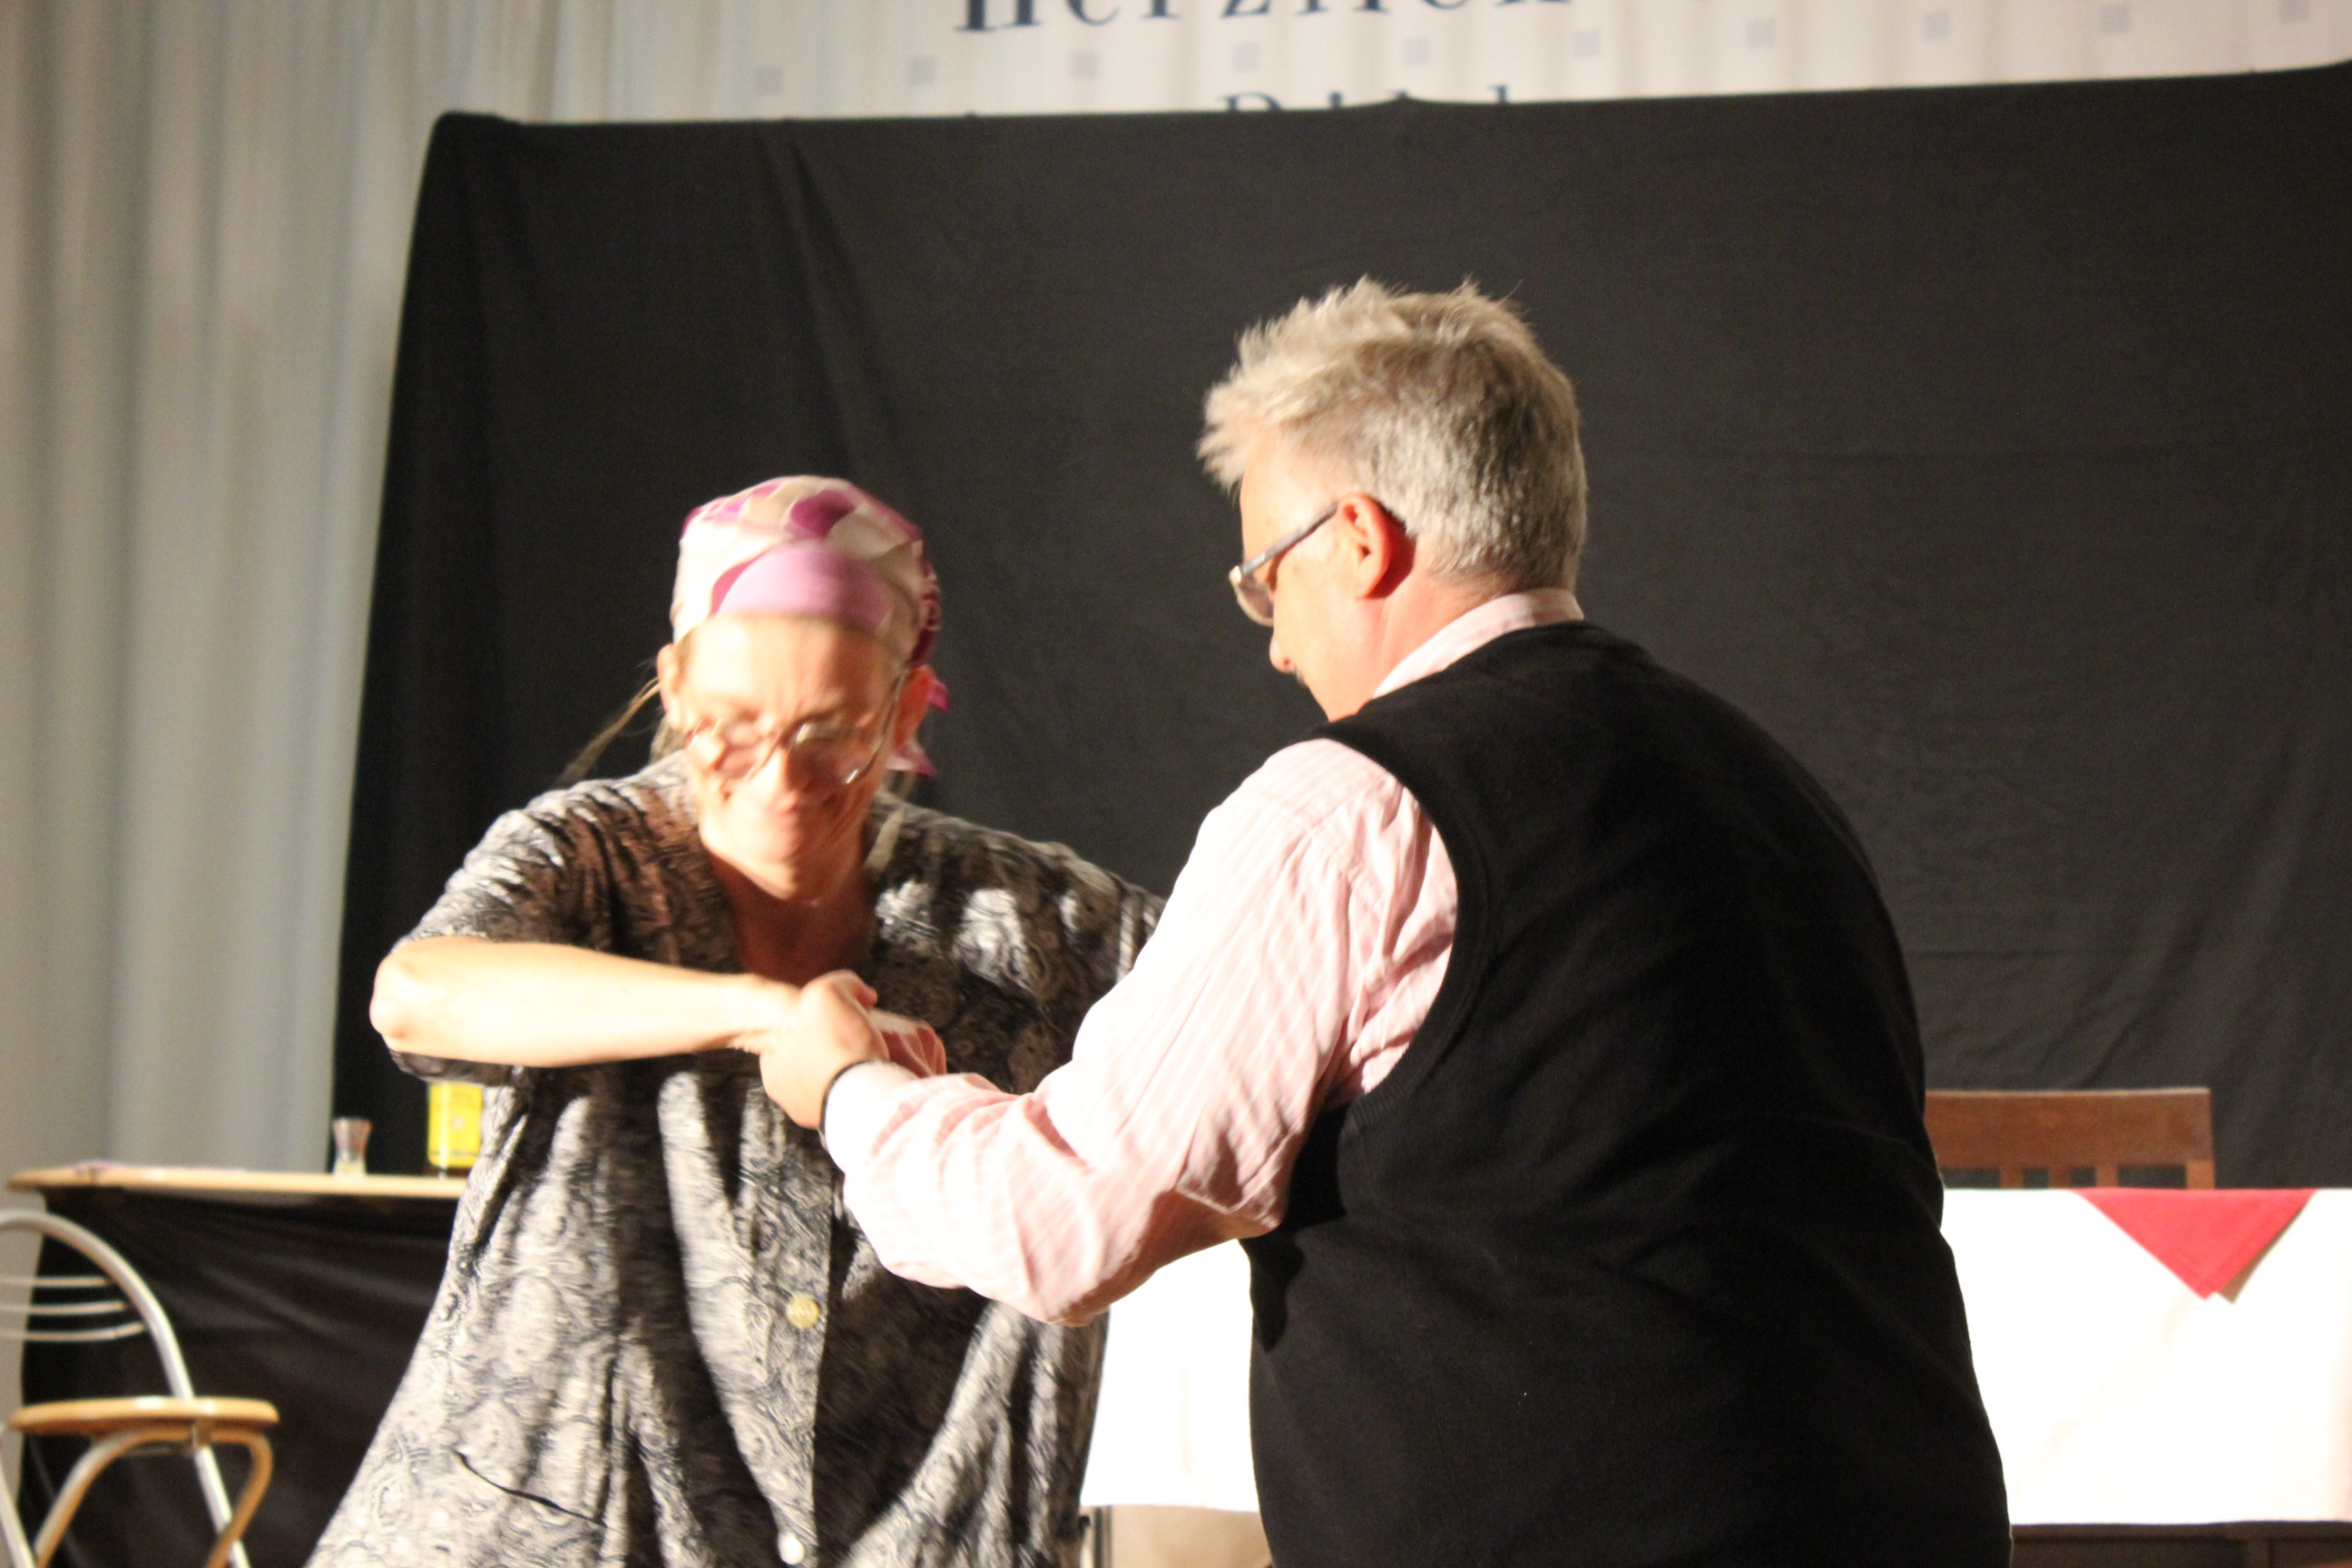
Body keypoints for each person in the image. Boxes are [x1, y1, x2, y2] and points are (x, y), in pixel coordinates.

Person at [760, 284, 2014, 1568]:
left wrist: (845, 1089)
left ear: (1359, 539)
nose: (1276, 650)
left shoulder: (1350, 808)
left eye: (1267, 582)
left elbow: (1060, 1220)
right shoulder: (1776, 789)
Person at [308, 477, 1157, 1568]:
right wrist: (762, 1014)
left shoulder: (1033, 922)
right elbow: (420, 994)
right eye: (731, 728)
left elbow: (1262, 998)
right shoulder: (589, 857)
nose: (780, 780)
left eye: (833, 734)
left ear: (905, 710)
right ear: (674, 683)